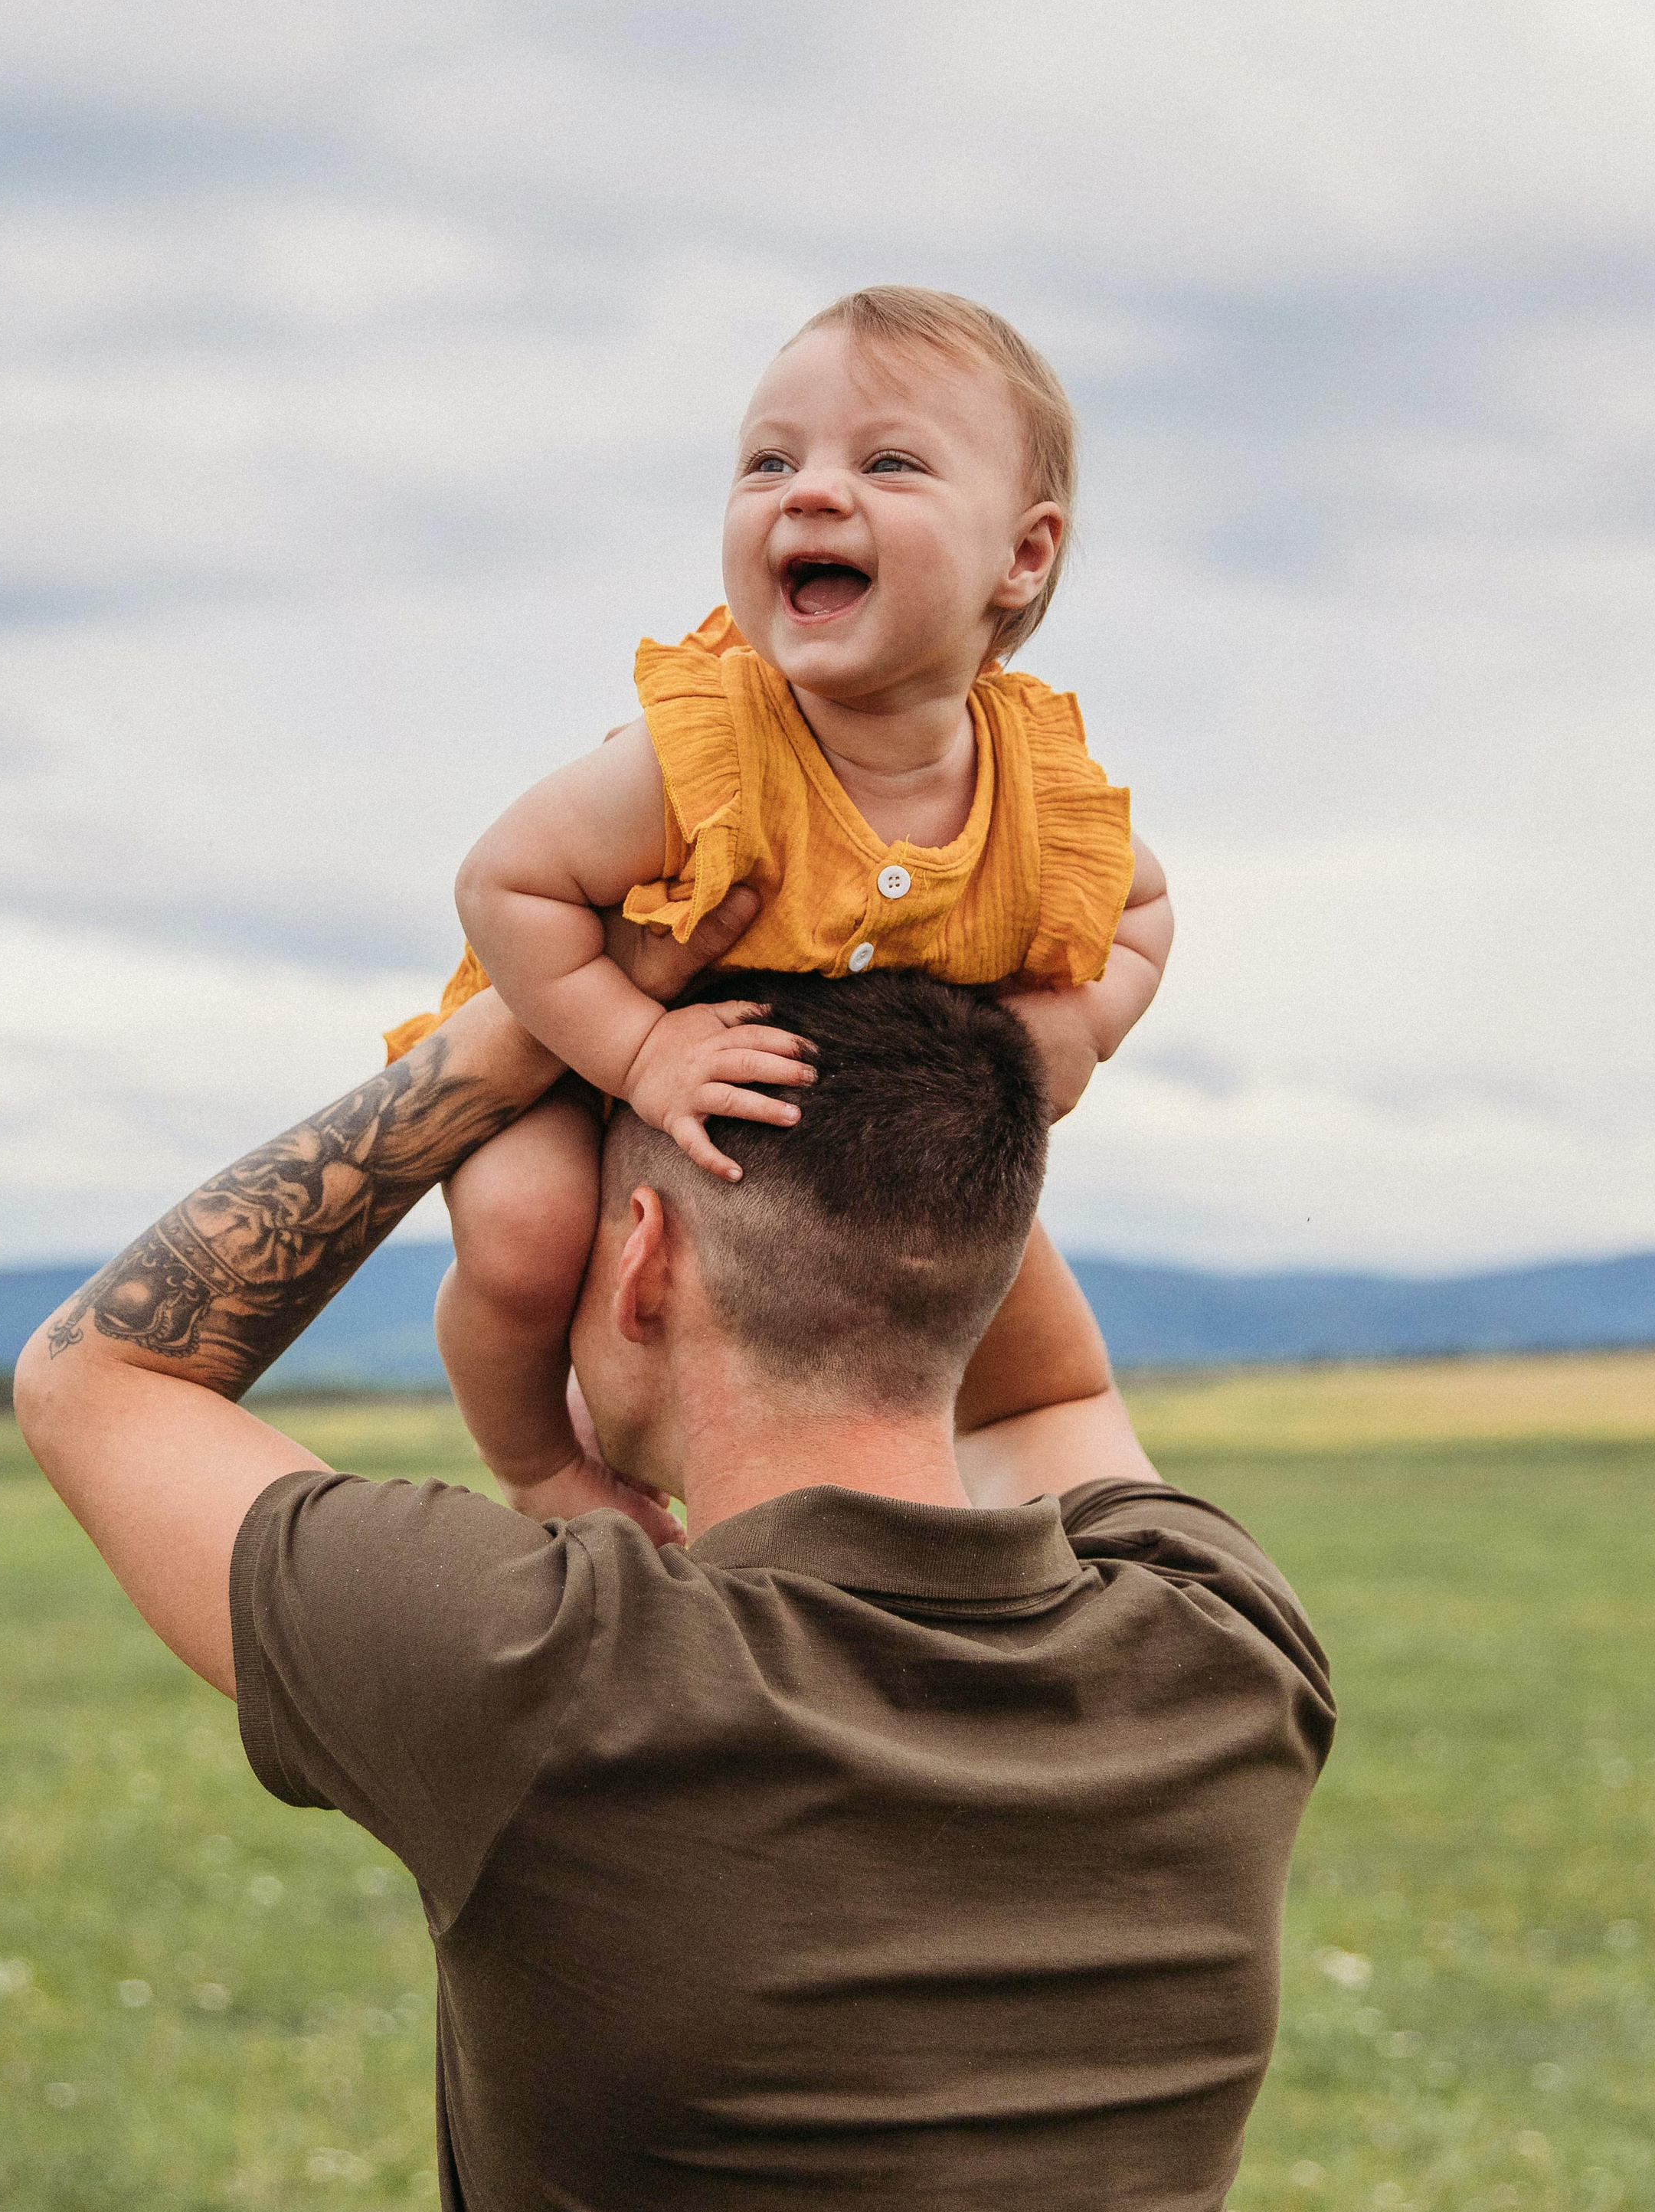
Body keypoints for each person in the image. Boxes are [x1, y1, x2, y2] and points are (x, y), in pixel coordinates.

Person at [15, 901, 1332, 2212]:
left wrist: (531, 1018)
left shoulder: (553, 1676)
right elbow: (1048, 1389)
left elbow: (98, 1378)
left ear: (641, 1258)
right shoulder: (1223, 1646)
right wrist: (915, 1022)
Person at [383, 283, 1176, 1533]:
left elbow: (1144, 912)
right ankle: (544, 1462)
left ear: (1022, 556)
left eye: (891, 461)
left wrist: (1077, 1027)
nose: (808, 490)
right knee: (526, 1234)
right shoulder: (707, 756)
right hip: (567, 1043)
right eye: (767, 460)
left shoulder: (1038, 794)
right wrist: (636, 1050)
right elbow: (506, 886)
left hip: (774, 1122)